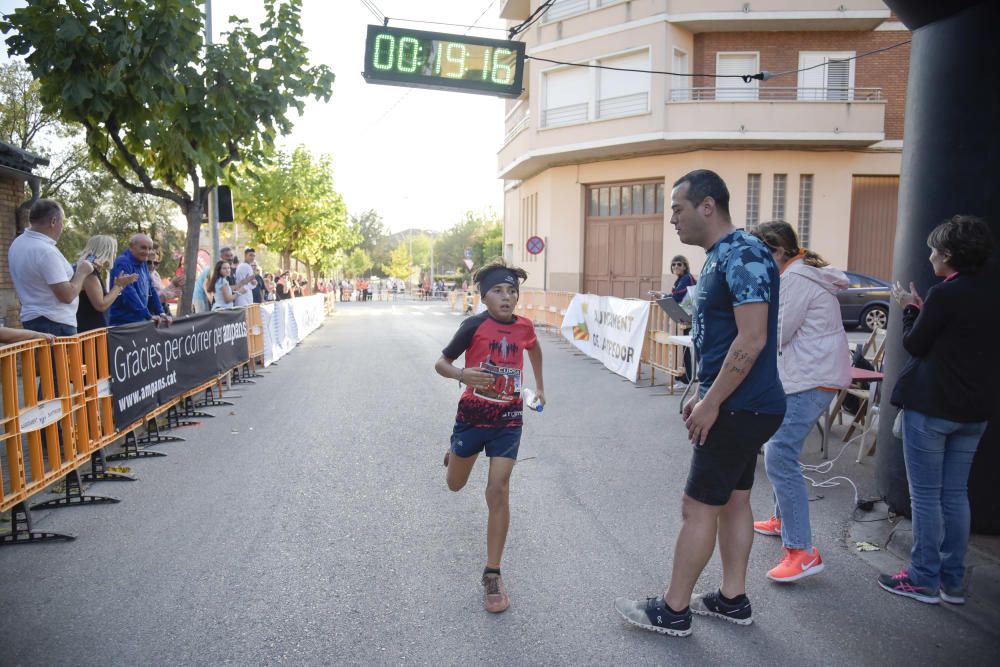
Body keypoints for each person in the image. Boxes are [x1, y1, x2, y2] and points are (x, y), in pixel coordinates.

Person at [615, 169, 785, 637]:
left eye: (678, 209)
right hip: (740, 403)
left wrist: (710, 403)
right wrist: (698, 392)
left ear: (707, 206)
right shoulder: (719, 256)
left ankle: (673, 610)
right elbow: (718, 338)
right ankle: (732, 600)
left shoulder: (744, 252)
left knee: (697, 507)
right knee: (733, 501)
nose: (672, 219)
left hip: (740, 406)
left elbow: (750, 340)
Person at [878, 215, 998, 605]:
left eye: (933, 250)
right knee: (955, 494)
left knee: (926, 498)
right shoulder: (990, 292)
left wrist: (911, 309)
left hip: (932, 409)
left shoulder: (945, 294)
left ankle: (922, 578)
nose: (929, 256)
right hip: (974, 411)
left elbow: (916, 344)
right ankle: (951, 580)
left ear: (948, 255)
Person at [434, 258, 545, 614]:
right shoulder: (473, 325)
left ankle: (492, 572)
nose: (507, 296)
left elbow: (535, 348)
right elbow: (442, 363)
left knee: (499, 487)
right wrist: (462, 375)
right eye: (498, 290)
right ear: (484, 297)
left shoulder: (524, 327)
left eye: (512, 290)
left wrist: (540, 386)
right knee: (455, 485)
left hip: (509, 417)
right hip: (472, 415)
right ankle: (456, 452)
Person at [748, 221, 851, 582]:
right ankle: (782, 520)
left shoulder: (795, 280)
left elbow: (775, 333)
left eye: (760, 256)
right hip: (811, 376)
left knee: (779, 454)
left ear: (776, 252)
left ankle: (801, 550)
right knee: (780, 449)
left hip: (810, 378)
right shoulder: (799, 274)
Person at [8, 199, 92, 336]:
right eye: (62, 222)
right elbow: (67, 295)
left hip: (32, 320)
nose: (62, 227)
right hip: (56, 324)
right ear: (53, 221)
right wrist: (82, 272)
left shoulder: (17, 243)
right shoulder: (46, 251)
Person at [75, 235, 139, 332]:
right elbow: (101, 305)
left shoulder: (89, 269)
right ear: (107, 251)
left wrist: (118, 285)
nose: (115, 255)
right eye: (114, 251)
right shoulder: (89, 272)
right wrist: (118, 286)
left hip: (92, 329)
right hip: (89, 330)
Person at [108, 234, 171, 327]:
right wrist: (148, 315)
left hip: (139, 321)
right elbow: (129, 293)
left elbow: (151, 290)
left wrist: (161, 312)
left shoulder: (143, 262)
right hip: (122, 324)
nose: (147, 252)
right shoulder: (123, 262)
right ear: (131, 247)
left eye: (150, 248)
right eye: (143, 248)